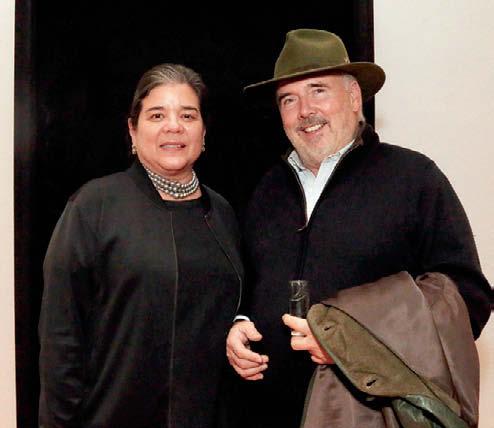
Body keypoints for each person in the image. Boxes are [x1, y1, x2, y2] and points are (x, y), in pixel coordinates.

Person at [225, 29, 491, 428]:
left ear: (353, 98)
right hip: (265, 413)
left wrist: (350, 343)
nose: (304, 110)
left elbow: (466, 300)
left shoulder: (413, 178)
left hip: (369, 417)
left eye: (318, 91)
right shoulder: (266, 189)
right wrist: (239, 324)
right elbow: (245, 282)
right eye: (288, 99)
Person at [38, 63, 244, 428]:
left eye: (187, 115)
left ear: (203, 131)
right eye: (156, 115)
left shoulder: (222, 213)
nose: (173, 126)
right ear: (132, 130)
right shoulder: (94, 206)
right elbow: (61, 340)